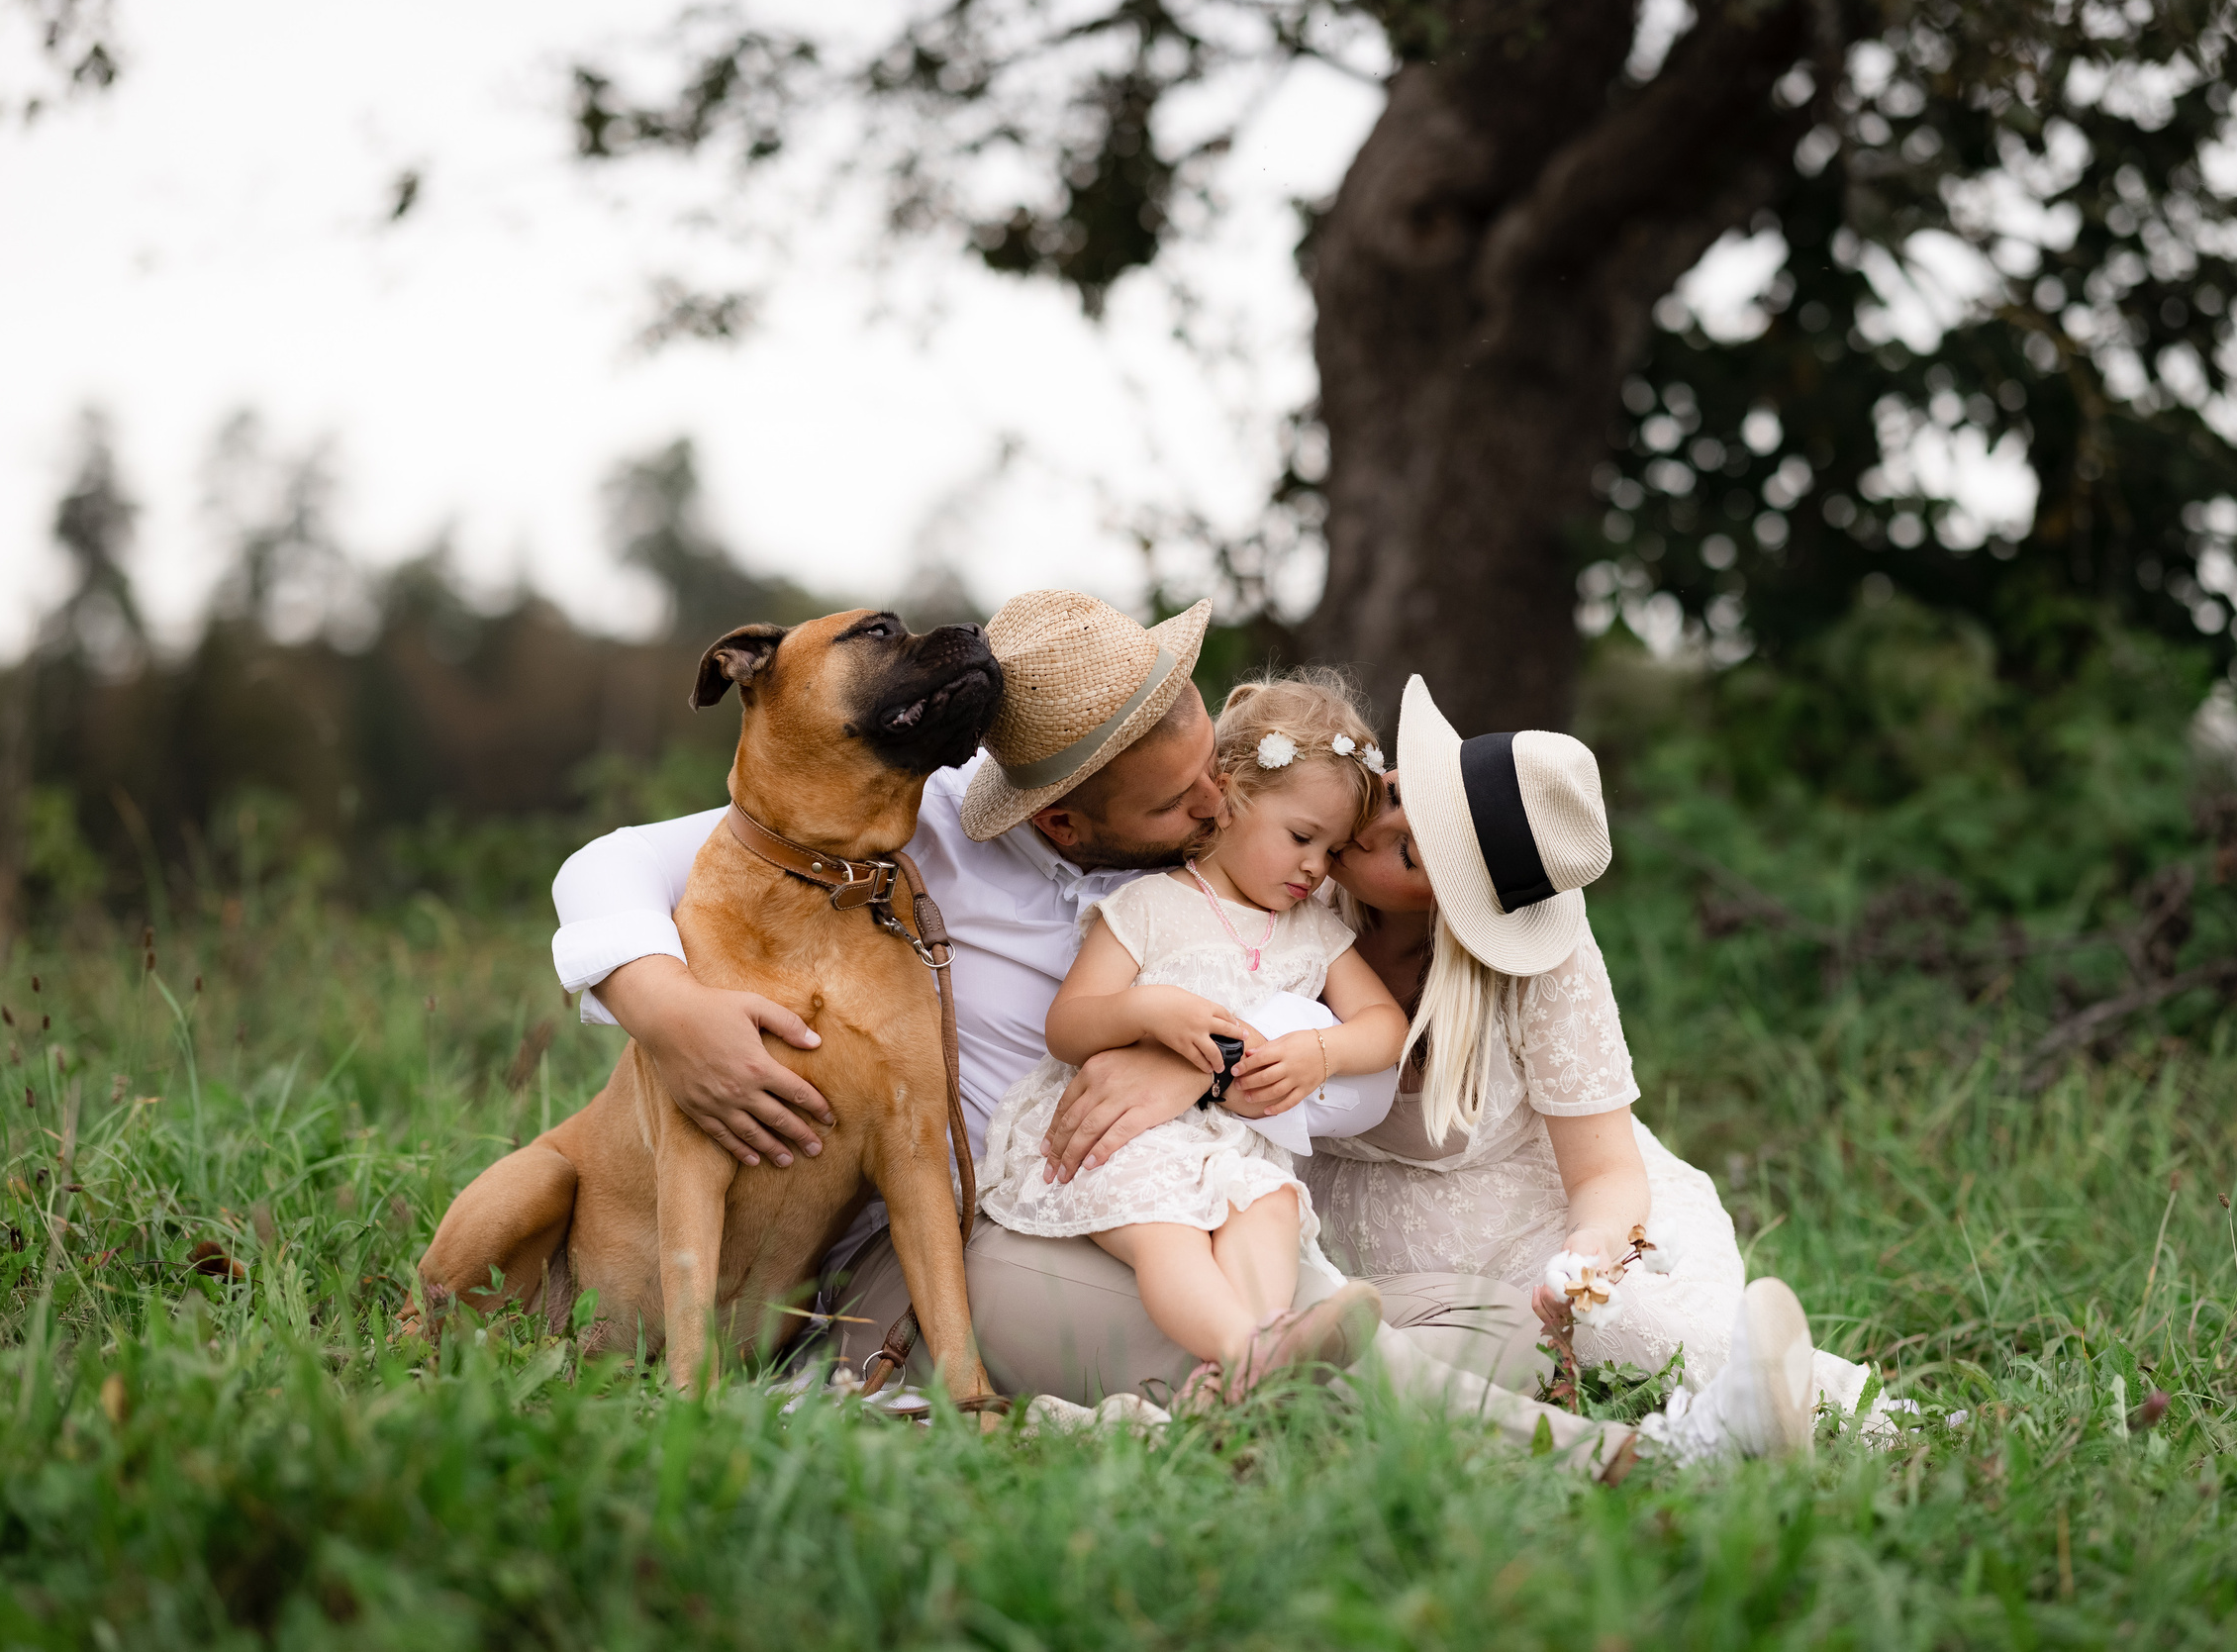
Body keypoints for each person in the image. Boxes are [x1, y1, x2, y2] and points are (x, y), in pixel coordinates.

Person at [550, 592, 1644, 1479]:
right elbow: (616, 864)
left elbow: (1346, 1041)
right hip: (1017, 1227)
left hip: (1211, 1202)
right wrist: (668, 1008)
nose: (1219, 811)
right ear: (1062, 820)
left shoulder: (1253, 861)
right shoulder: (908, 832)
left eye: (1215, 770)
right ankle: (1580, 1451)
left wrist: (1192, 1068)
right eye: (1180, 805)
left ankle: (1171, 1417)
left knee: (1490, 1324)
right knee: (1290, 1329)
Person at [1302, 677, 1876, 1457]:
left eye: (1407, 851)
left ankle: (1846, 1418)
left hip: (1530, 1212)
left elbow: (1605, 1170)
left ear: (1451, 905)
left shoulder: (1538, 961)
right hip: (1328, 1227)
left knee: (1627, 1323)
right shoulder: (1292, 875)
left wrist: (1587, 1255)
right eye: (1401, 790)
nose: (1374, 825)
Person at [978, 674, 1406, 1404]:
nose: (1316, 868)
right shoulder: (1147, 906)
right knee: (1167, 1230)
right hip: (1127, 1136)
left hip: (1231, 1145)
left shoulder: (1316, 932)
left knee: (1268, 1205)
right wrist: (1149, 1009)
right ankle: (1250, 1356)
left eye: (1333, 851)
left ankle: (1246, 1365)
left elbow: (1386, 1027)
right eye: (1302, 837)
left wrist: (1320, 1052)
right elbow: (1069, 1026)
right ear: (1230, 797)